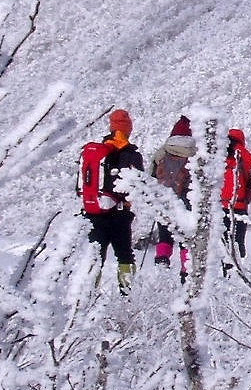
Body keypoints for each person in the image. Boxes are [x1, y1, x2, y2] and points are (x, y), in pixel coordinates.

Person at [78, 108, 144, 291]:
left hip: (94, 211)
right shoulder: (131, 154)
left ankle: (86, 297)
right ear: (129, 129)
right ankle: (127, 295)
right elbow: (137, 184)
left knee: (95, 256)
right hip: (119, 214)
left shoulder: (96, 153)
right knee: (125, 256)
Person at [147, 116, 198, 278]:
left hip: (165, 198)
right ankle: (186, 272)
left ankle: (161, 268)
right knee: (186, 237)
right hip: (187, 200)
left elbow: (150, 175)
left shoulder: (162, 151)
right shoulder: (196, 152)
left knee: (164, 234)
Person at [220, 127, 251, 273]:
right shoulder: (241, 156)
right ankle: (236, 274)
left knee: (223, 243)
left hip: (220, 205)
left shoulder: (219, 154)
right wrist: (238, 147)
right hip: (239, 206)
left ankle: (225, 273)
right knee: (237, 242)